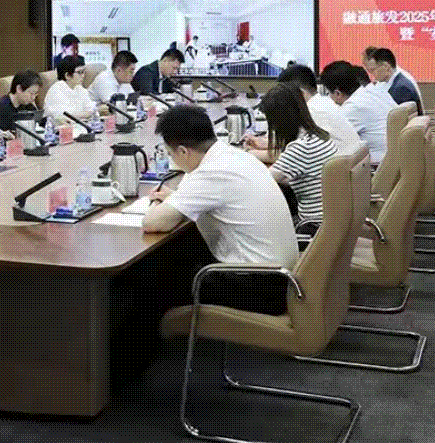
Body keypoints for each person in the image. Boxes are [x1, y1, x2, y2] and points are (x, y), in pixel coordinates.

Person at [141, 105, 298, 315]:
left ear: (183, 151)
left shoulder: (210, 172)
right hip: (282, 278)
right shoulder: (234, 156)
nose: (172, 160)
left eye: (171, 154)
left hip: (260, 288)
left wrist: (155, 202)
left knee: (151, 278)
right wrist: (175, 198)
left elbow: (152, 223)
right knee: (181, 254)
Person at [256, 83, 340, 225]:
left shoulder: (301, 147)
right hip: (329, 218)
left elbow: (262, 181)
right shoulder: (319, 135)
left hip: (312, 225)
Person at [271, 64, 363, 154]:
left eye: (285, 95)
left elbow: (292, 154)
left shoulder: (311, 112)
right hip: (345, 160)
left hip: (335, 162)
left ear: (300, 93)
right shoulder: (323, 103)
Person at [320, 60, 396, 165]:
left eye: (328, 93)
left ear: (337, 93)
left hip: (377, 166)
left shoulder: (352, 108)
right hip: (392, 159)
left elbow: (330, 144)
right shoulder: (375, 91)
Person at [368, 47, 423, 114]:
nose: (372, 74)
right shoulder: (394, 82)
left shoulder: (401, 88)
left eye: (373, 70)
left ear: (386, 67)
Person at [43, 55, 97, 123]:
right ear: (67, 75)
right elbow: (64, 117)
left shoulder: (79, 88)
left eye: (84, 72)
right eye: (80, 72)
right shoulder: (56, 90)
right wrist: (85, 114)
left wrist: (85, 114)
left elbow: (91, 110)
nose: (83, 76)